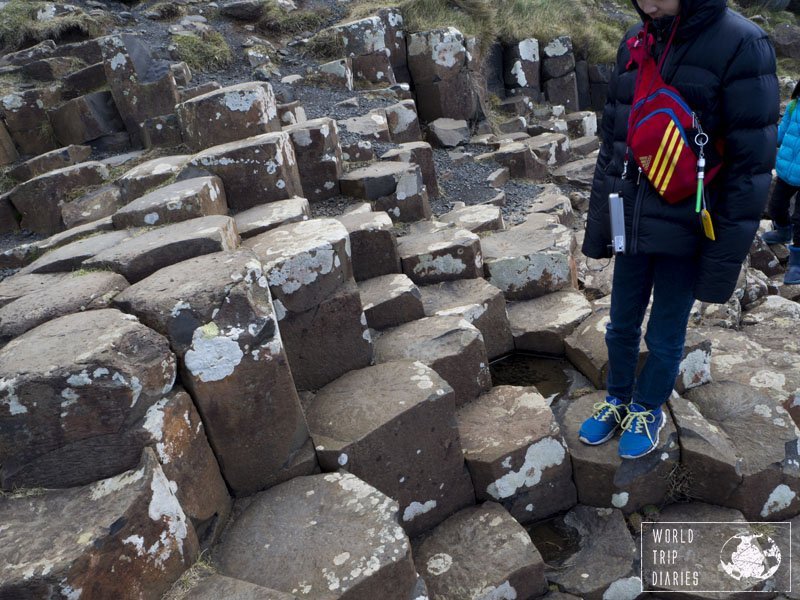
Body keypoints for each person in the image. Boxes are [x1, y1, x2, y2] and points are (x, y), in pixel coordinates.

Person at [579, 0, 779, 458]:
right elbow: (613, 139)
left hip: (689, 226)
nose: (648, 2)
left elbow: (752, 169)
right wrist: (600, 228)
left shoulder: (743, 43)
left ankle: (647, 407)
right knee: (620, 324)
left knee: (666, 332)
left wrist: (721, 265)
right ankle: (617, 398)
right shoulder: (636, 36)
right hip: (630, 216)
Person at [761, 80, 800, 285]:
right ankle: (783, 232)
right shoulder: (795, 105)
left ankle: (797, 263)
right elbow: (780, 134)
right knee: (776, 205)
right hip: (787, 170)